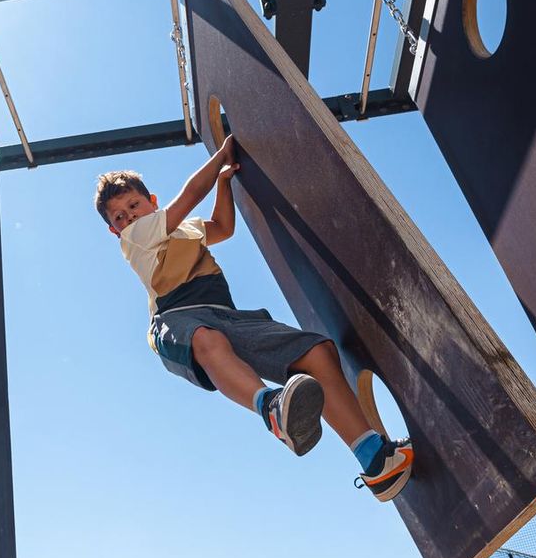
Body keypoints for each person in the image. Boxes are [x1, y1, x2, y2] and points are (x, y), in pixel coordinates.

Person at [93, 144, 414, 501]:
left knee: (316, 352)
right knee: (206, 340)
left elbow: (223, 228)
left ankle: (374, 459)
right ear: (114, 231)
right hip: (176, 318)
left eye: (133, 206)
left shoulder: (185, 229)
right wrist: (221, 156)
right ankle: (270, 407)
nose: (129, 218)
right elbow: (190, 194)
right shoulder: (135, 239)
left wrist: (225, 184)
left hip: (223, 315)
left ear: (151, 200)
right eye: (118, 217)